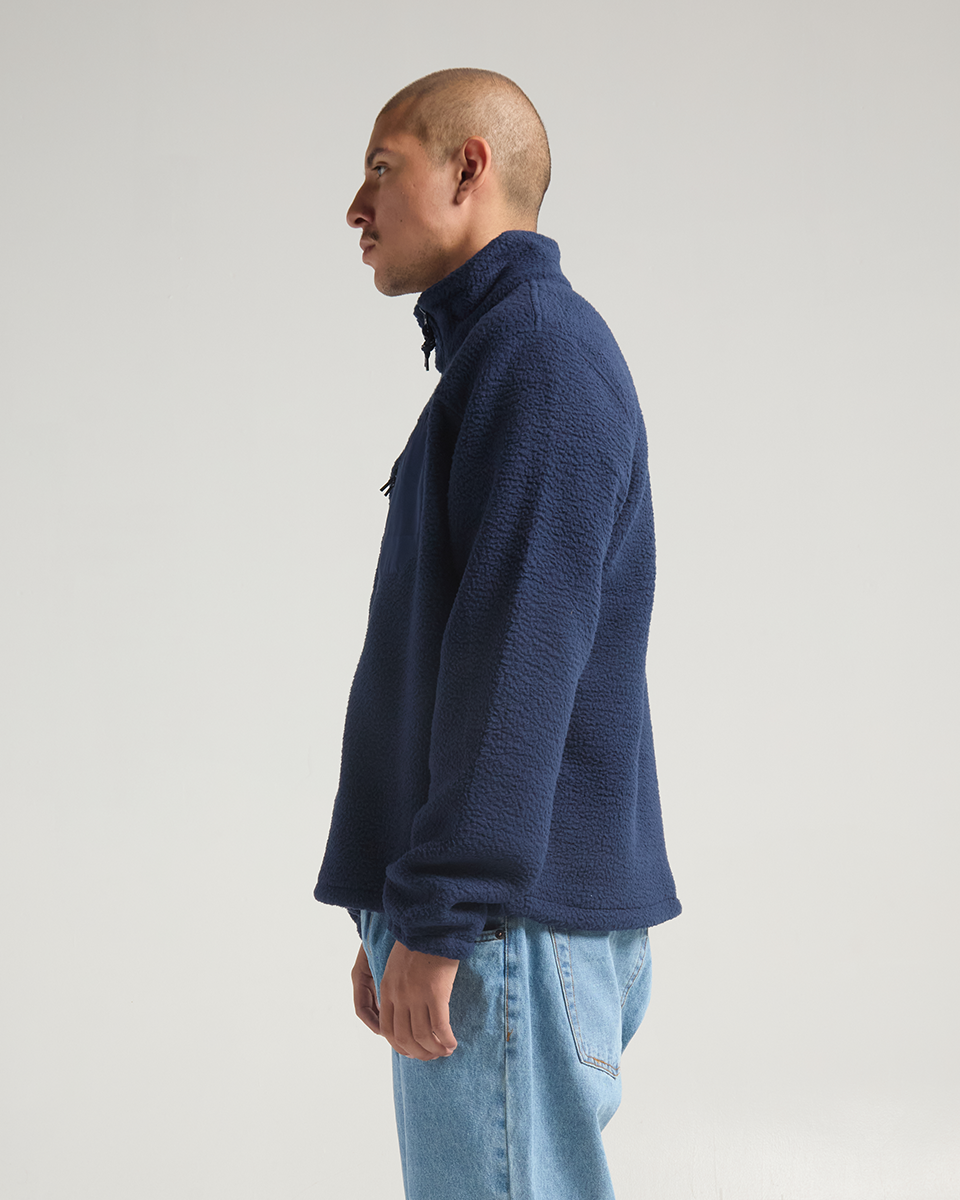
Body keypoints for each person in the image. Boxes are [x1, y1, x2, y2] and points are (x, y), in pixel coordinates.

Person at [314, 67, 681, 1200]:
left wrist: (441, 913)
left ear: (469, 167)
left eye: (383, 169)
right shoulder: (501, 358)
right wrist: (399, 907)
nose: (355, 206)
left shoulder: (541, 358)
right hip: (488, 921)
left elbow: (519, 658)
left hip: (502, 928)